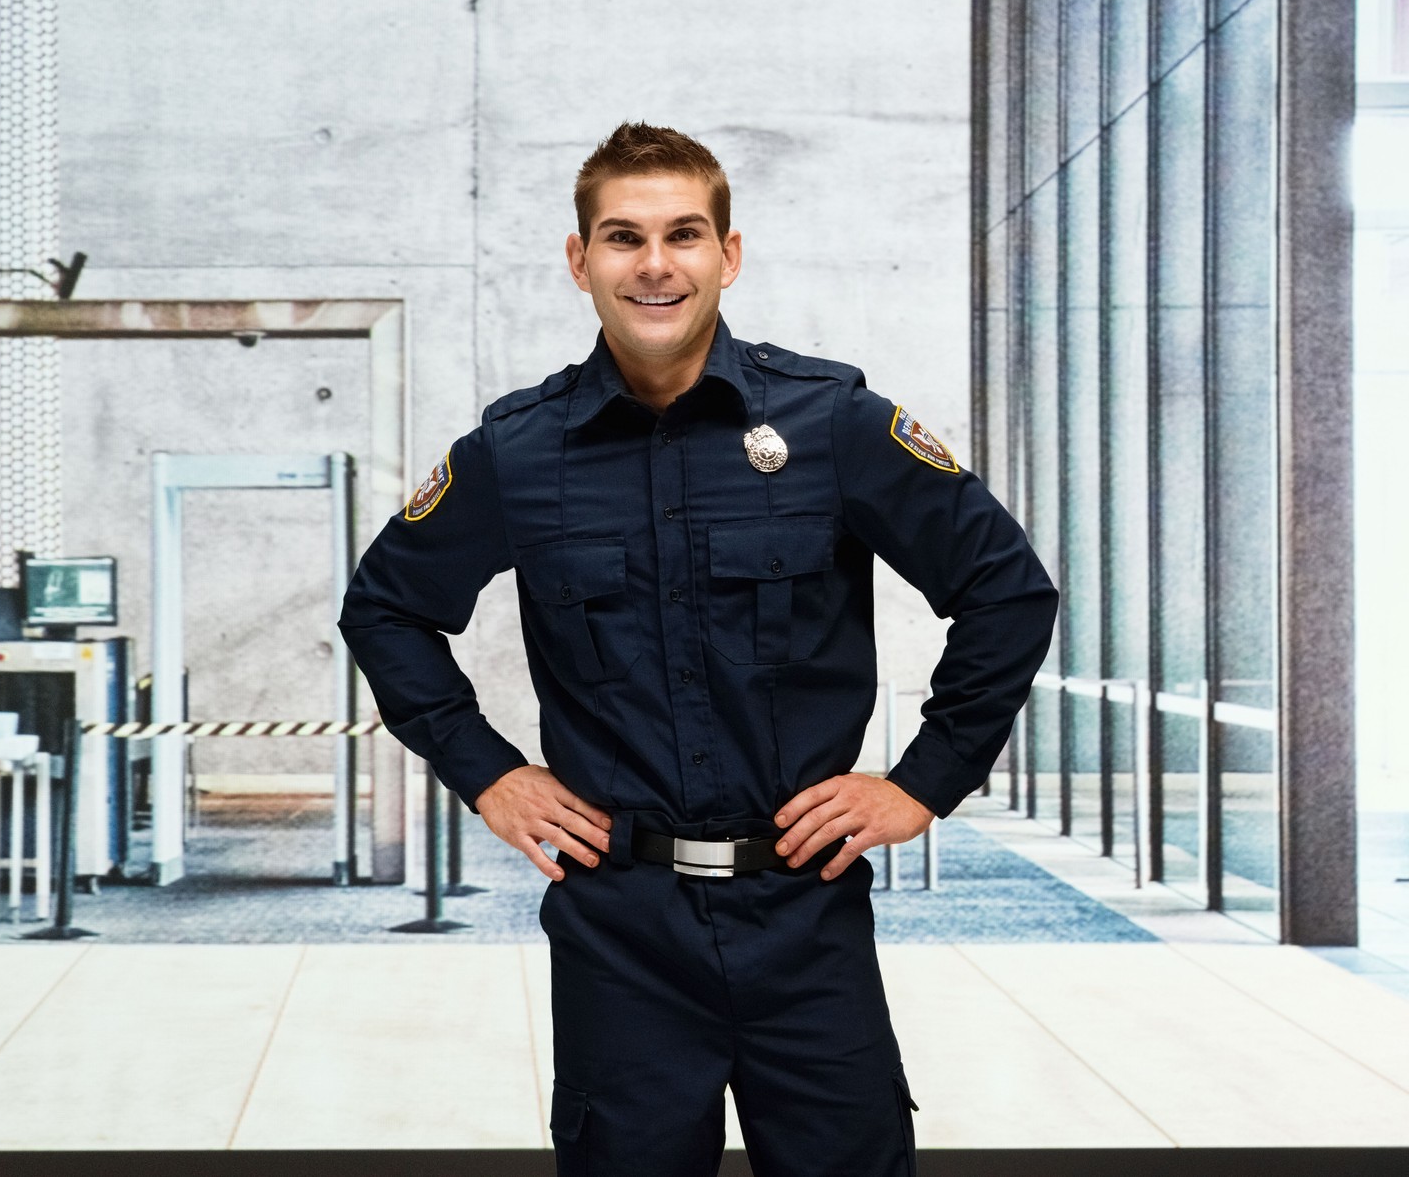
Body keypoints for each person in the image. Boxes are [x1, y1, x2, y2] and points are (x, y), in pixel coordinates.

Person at [337, 121, 1057, 1177]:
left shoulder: (831, 423)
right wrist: (486, 773)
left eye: (683, 234)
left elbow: (1005, 588)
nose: (656, 263)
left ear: (729, 252)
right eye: (623, 237)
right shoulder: (520, 451)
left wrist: (922, 783)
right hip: (620, 926)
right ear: (580, 260)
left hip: (805, 911)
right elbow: (385, 607)